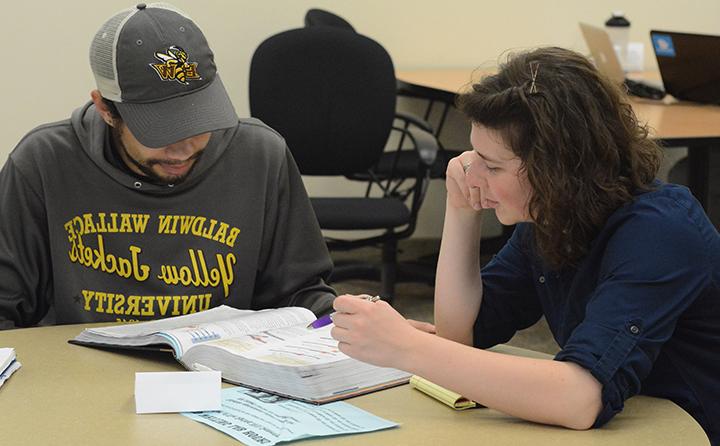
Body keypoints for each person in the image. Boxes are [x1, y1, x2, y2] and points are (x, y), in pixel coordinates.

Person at [330, 47, 719, 444]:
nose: (472, 173)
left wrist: (407, 347)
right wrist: (461, 210)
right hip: (636, 422)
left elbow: (578, 398)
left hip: (693, 427)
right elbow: (458, 334)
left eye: (492, 165)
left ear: (558, 169)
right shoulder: (553, 217)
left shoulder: (660, 233)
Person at [0, 3, 335, 329]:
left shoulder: (260, 155)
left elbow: (300, 294)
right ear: (105, 108)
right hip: (77, 371)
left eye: (199, 121)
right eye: (160, 131)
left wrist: (342, 321)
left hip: (221, 370)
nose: (183, 149)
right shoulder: (42, 162)